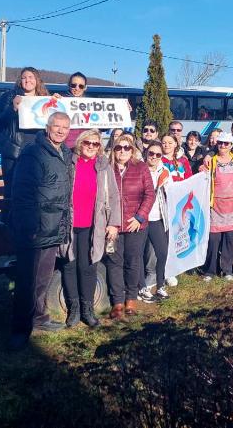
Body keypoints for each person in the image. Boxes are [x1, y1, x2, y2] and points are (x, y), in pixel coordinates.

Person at [7, 112, 72, 351]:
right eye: (57, 126)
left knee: (43, 278)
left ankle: (40, 317)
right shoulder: (32, 153)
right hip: (34, 228)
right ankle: (20, 330)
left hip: (53, 227)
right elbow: (22, 193)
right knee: (27, 281)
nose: (61, 131)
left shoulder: (65, 153)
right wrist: (28, 226)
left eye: (65, 127)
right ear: (47, 127)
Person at [59, 128, 118, 328]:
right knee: (69, 265)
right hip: (69, 223)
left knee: (88, 266)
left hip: (93, 225)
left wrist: (113, 223)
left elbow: (114, 197)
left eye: (95, 144)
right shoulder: (69, 162)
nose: (91, 146)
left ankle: (87, 309)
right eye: (87, 142)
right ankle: (74, 309)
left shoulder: (103, 166)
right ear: (80, 143)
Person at [103, 132, 155, 320]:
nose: (123, 151)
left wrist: (139, 217)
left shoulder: (141, 167)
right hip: (113, 226)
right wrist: (110, 223)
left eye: (127, 148)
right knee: (114, 262)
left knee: (133, 261)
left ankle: (131, 298)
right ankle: (117, 301)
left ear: (132, 150)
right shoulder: (106, 168)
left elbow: (150, 194)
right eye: (119, 147)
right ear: (114, 150)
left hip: (136, 225)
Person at [0, 67, 50, 208]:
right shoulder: (9, 97)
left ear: (37, 80)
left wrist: (58, 102)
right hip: (13, 153)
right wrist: (12, 108)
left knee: (34, 190)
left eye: (31, 77)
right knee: (11, 191)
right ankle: (9, 220)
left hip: (36, 152)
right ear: (20, 80)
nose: (27, 80)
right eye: (24, 77)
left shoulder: (44, 99)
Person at [202, 132, 233, 281]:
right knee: (213, 240)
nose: (222, 146)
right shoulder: (211, 160)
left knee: (230, 240)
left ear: (231, 145)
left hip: (232, 205)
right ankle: (210, 271)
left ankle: (227, 270)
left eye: (226, 143)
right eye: (220, 143)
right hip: (215, 205)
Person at [139, 141, 172, 302]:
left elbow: (172, 191)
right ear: (146, 153)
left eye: (158, 154)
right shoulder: (140, 169)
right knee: (139, 254)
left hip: (157, 218)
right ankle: (142, 288)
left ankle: (160, 285)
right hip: (141, 218)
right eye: (151, 153)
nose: (154, 157)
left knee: (162, 252)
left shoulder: (164, 171)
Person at [62, 71, 89, 149]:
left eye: (81, 86)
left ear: (85, 87)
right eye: (73, 85)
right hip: (66, 147)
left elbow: (103, 126)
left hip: (85, 147)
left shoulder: (90, 104)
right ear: (69, 85)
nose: (77, 88)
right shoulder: (61, 102)